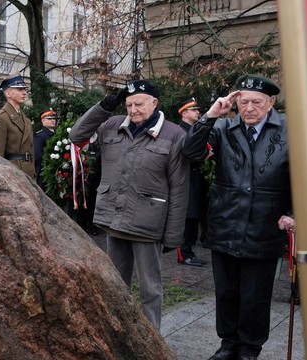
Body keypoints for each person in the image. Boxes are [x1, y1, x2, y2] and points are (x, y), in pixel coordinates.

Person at [182, 74, 294, 360]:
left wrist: (293, 213)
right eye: (243, 102)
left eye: (257, 102)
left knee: (255, 295)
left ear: (271, 102)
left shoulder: (290, 131)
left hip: (264, 226)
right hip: (226, 224)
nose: (249, 108)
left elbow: (306, 177)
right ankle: (227, 344)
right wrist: (209, 115)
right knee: (227, 291)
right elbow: (191, 153)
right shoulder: (223, 128)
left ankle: (249, 348)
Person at [69, 79, 189, 331]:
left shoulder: (173, 134)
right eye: (129, 104)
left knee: (150, 289)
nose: (133, 110)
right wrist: (104, 106)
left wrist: (173, 236)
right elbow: (76, 135)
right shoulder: (112, 125)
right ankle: (115, 334)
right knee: (114, 284)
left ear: (155, 103)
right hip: (114, 220)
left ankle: (152, 342)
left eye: (139, 104)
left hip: (147, 224)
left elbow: (179, 188)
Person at [176, 97, 208, 267]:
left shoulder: (193, 130)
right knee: (189, 218)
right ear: (185, 112)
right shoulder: (181, 131)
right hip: (186, 179)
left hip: (196, 179)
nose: (198, 112)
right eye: (194, 110)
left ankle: (189, 251)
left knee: (195, 216)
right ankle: (184, 253)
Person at [0, 76, 35, 178]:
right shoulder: (0, 118)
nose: (24, 92)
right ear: (8, 93)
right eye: (19, 89)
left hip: (28, 176)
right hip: (12, 176)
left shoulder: (26, 120)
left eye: (25, 89)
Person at [34, 108, 57, 188]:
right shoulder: (40, 136)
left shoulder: (57, 134)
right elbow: (38, 157)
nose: (53, 120)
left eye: (54, 118)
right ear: (43, 120)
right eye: (49, 119)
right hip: (44, 174)